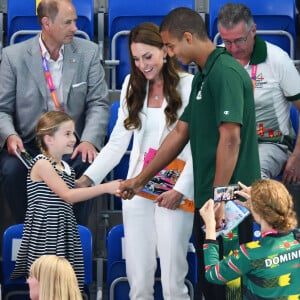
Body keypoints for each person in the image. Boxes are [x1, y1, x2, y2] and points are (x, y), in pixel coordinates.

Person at [117, 7, 261, 300]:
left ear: (187, 37)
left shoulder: (227, 72)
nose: (168, 53)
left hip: (231, 201)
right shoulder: (203, 78)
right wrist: (140, 179)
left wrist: (220, 199)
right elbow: (179, 133)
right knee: (211, 283)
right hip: (209, 199)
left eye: (169, 45)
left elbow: (231, 139)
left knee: (230, 287)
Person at [76, 22, 194, 299]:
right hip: (136, 185)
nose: (142, 65)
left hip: (175, 186)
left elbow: (196, 146)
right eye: (136, 58)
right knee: (138, 280)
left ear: (165, 51)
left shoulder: (189, 85)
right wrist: (87, 179)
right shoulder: (132, 83)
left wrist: (182, 189)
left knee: (172, 281)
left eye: (148, 57)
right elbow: (118, 142)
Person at [0, 0, 110, 225]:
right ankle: (28, 230)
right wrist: (10, 136)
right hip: (29, 142)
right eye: (67, 22)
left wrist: (89, 140)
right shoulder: (13, 56)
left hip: (72, 140)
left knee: (86, 165)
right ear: (46, 23)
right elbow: (2, 108)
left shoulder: (88, 53)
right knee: (11, 171)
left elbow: (98, 103)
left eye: (75, 21)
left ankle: (73, 231)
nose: (74, 28)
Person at [11, 111, 120, 291]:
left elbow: (76, 188)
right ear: (49, 139)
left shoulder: (66, 167)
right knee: (46, 282)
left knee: (63, 283)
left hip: (64, 227)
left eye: (73, 134)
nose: (73, 139)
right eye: (67, 134)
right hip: (46, 229)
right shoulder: (42, 163)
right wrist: (106, 188)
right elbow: (68, 195)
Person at [217, 3, 300, 183]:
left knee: (251, 180)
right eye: (227, 41)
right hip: (224, 141)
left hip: (267, 143)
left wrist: (297, 155)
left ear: (253, 30)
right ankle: (218, 210)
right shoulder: (217, 57)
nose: (233, 48)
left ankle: (249, 210)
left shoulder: (277, 59)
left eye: (239, 40)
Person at [200, 179, 300, 299]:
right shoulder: (297, 237)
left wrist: (210, 226)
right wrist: (257, 210)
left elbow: (213, 274)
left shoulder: (249, 253)